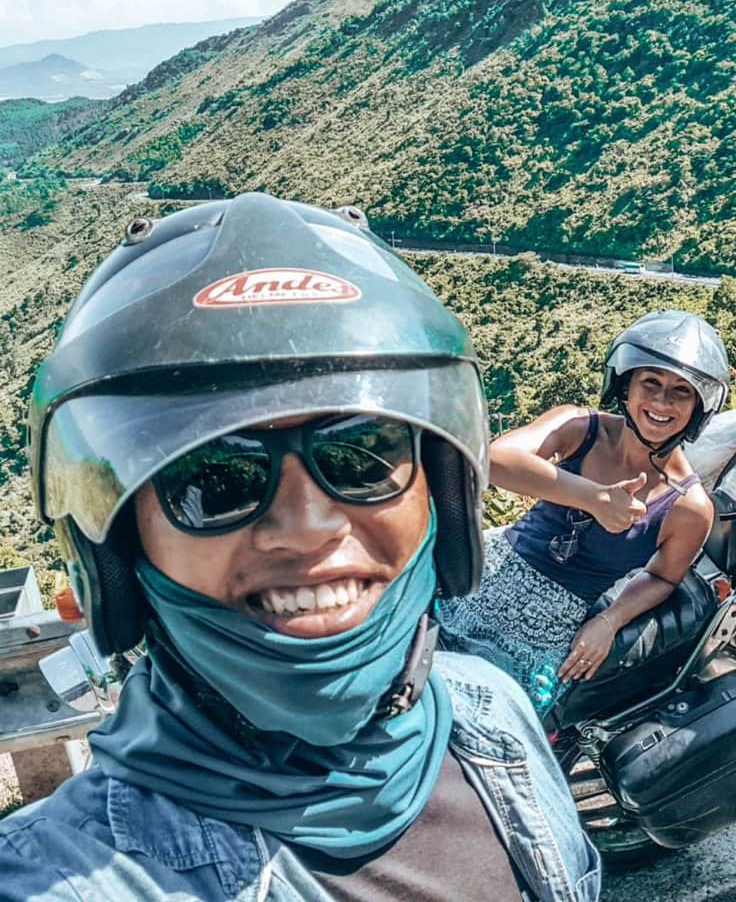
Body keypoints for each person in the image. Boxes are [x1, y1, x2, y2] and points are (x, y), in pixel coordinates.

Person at [0, 193, 599, 902]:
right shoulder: (63, 881)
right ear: (122, 547)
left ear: (441, 491)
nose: (309, 527)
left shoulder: (491, 709)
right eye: (213, 480)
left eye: (360, 456)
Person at [437, 311, 725, 709]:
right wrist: (593, 498)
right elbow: (494, 459)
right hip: (473, 579)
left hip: (538, 634)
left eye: (681, 391)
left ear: (699, 406)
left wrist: (609, 620)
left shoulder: (689, 506)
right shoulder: (580, 427)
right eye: (651, 383)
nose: (662, 401)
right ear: (624, 386)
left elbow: (663, 576)